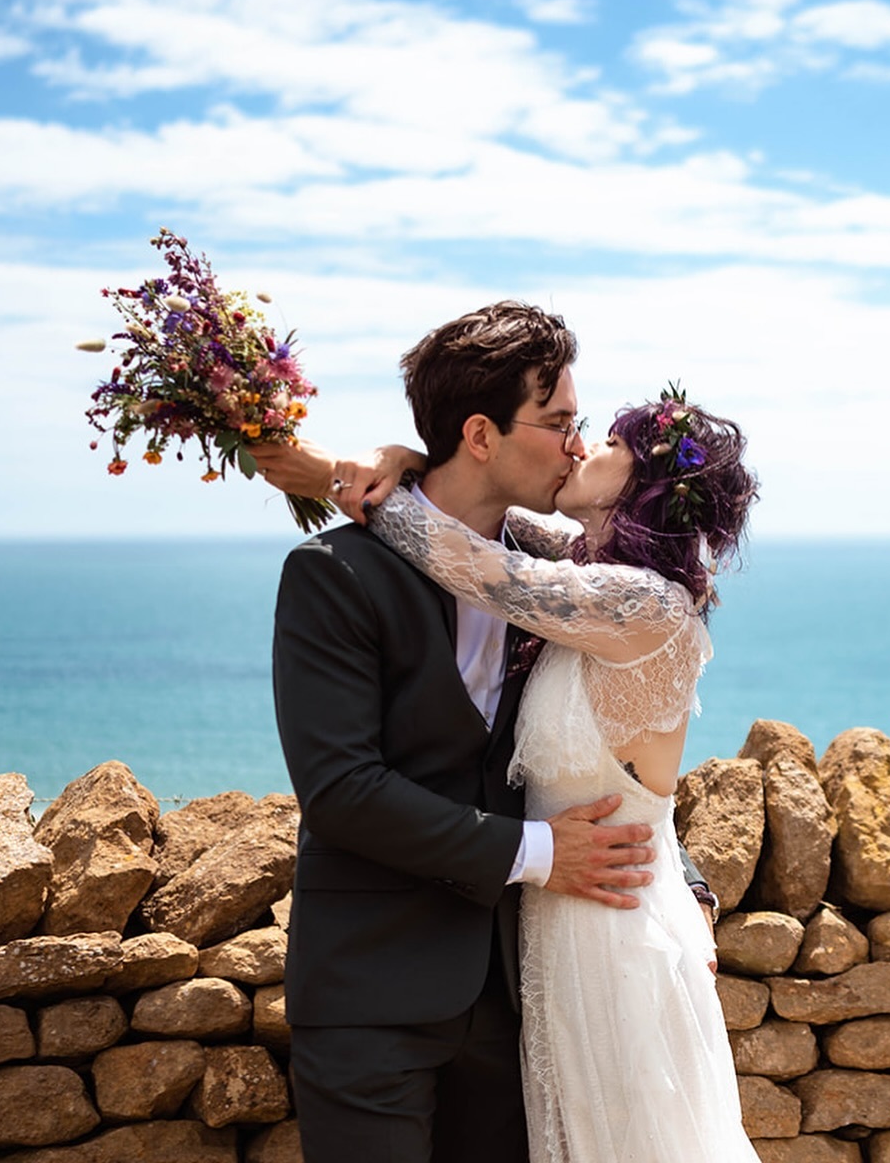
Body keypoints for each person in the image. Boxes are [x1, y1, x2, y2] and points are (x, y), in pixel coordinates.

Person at [262, 301, 674, 1163]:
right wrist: (539, 854)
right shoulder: (332, 575)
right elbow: (341, 792)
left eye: (581, 426)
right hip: (371, 996)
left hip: (521, 1005)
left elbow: (608, 756)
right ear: (481, 434)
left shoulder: (561, 585)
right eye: (559, 421)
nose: (574, 443)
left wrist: (682, 896)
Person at [341, 386, 761, 1163]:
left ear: (640, 484)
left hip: (612, 932)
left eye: (604, 444)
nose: (578, 447)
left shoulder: (638, 603)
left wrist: (339, 475)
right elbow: (479, 517)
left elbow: (459, 556)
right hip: (564, 925)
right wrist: (404, 460)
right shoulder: (588, 574)